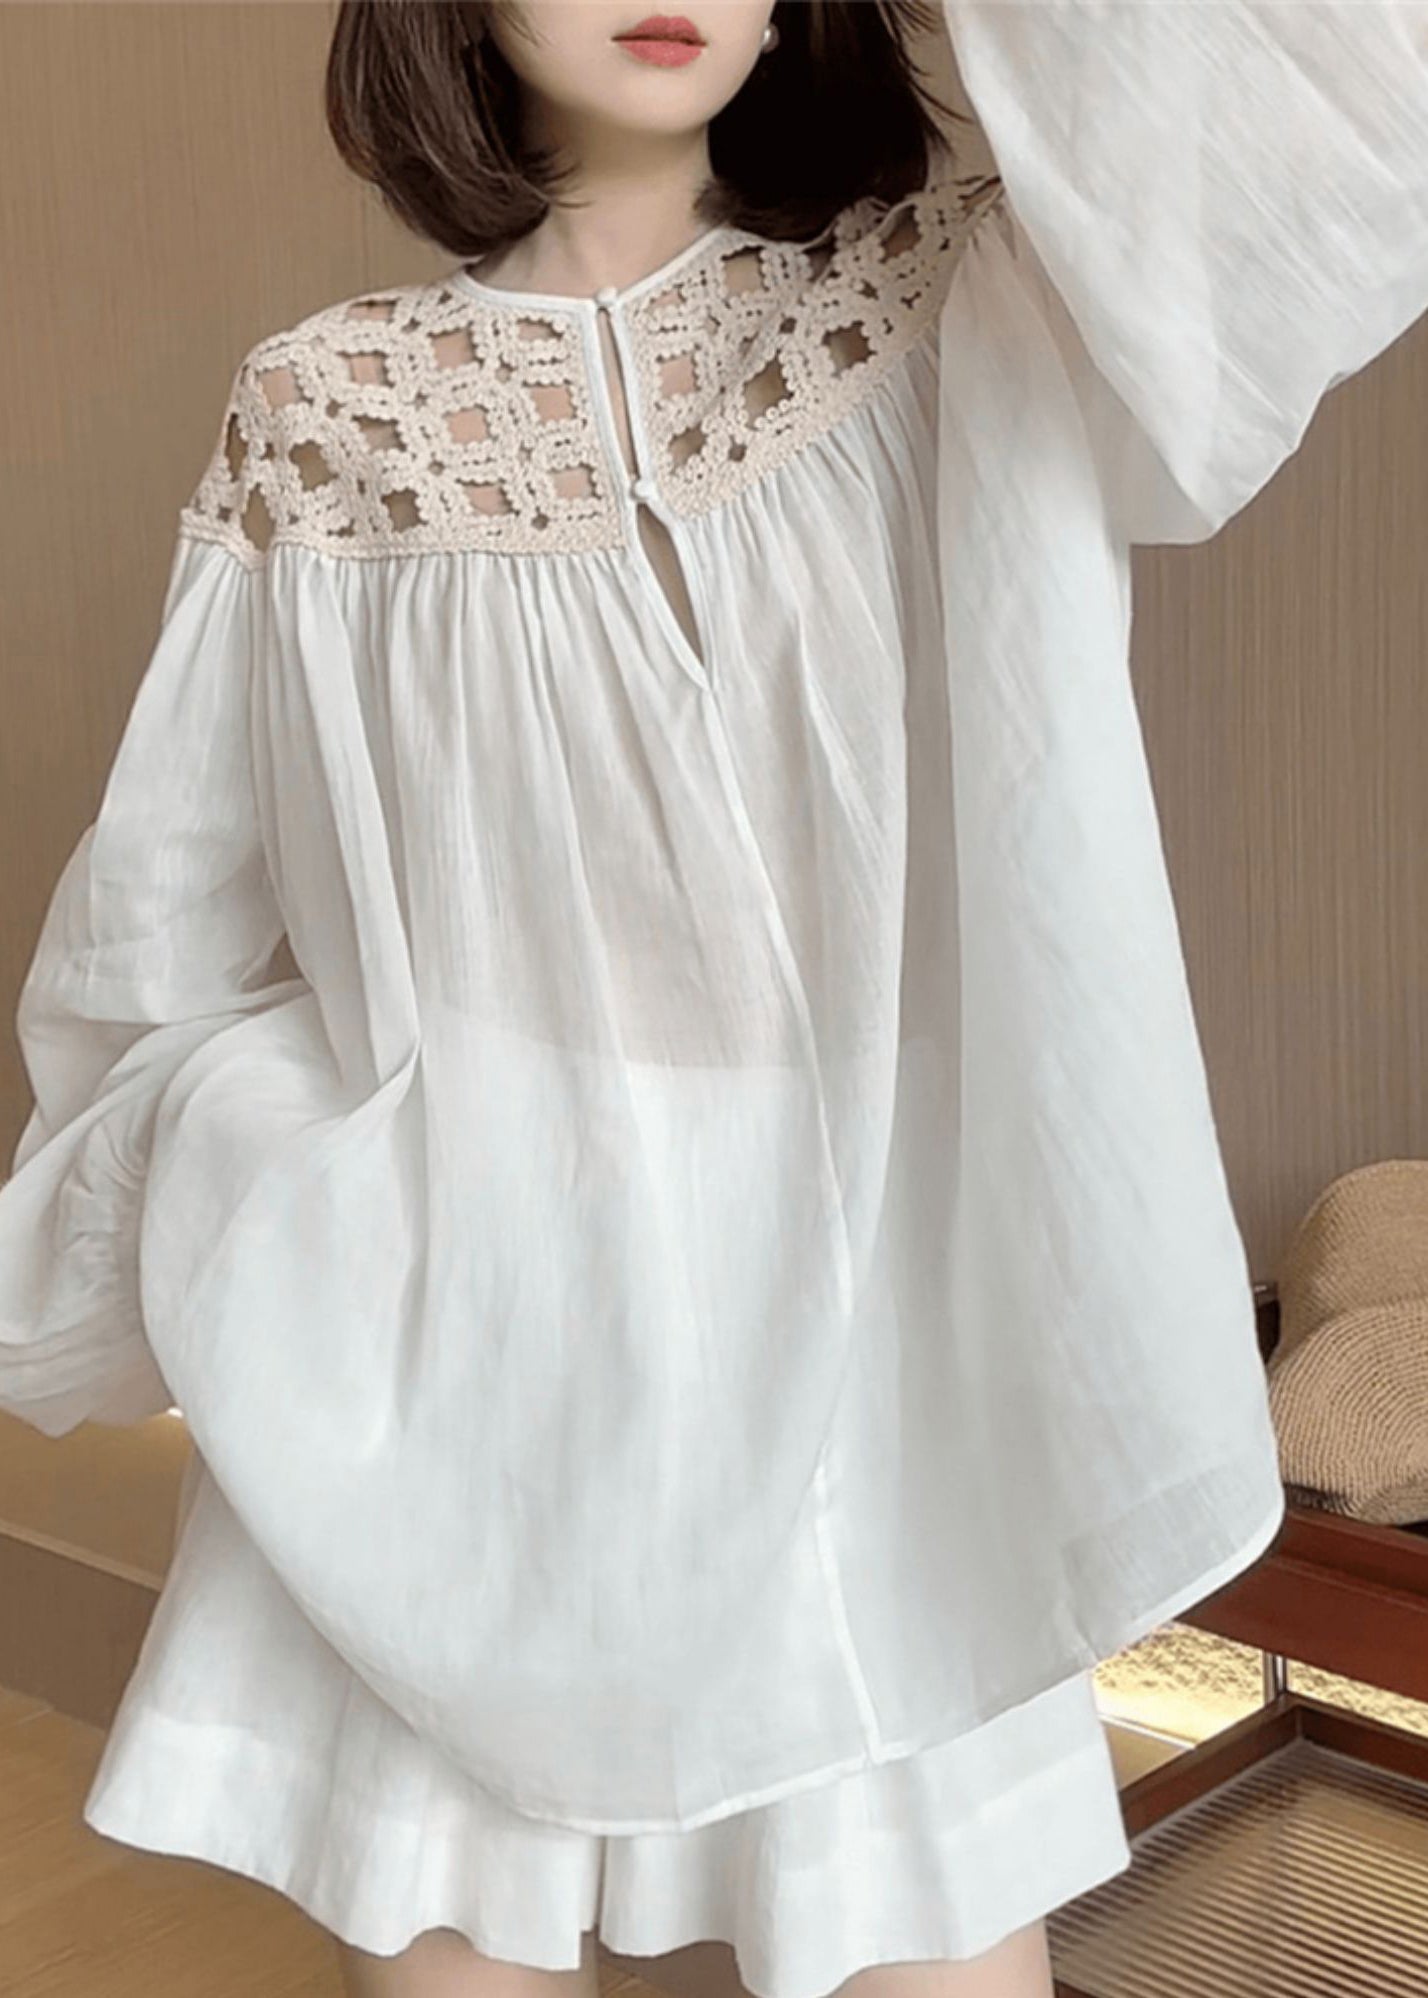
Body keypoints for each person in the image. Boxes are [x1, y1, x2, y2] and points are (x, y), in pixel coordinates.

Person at [2, 2, 1427, 1995]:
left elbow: (1341, 109)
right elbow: (158, 923)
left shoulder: (959, 304)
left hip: (879, 1362)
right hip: (467, 1346)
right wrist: (228, 1167)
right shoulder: (330, 418)